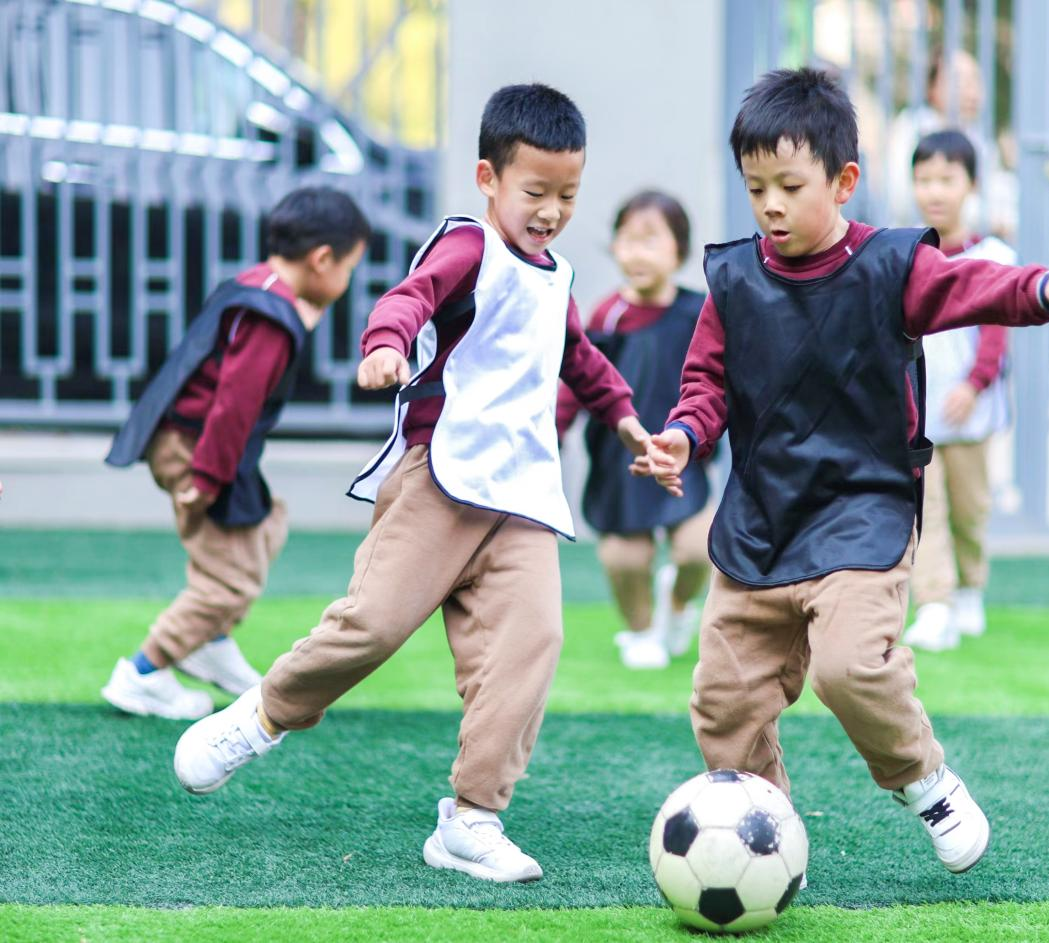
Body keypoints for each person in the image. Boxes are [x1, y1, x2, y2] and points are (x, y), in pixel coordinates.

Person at [171, 83, 651, 884]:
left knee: (530, 646)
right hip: (443, 480)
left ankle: (471, 817)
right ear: (488, 178)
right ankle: (261, 714)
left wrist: (628, 419)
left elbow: (579, 357)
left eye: (567, 195)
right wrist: (385, 345)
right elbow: (409, 298)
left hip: (523, 500)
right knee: (371, 624)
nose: (550, 211)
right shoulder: (467, 246)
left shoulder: (557, 275)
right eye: (535, 191)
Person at [646, 68, 1049, 876]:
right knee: (722, 699)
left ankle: (924, 779)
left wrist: (1040, 286)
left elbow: (974, 285)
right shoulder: (734, 281)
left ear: (843, 180)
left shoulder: (892, 265)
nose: (770, 205)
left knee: (850, 665)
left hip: (861, 511)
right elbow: (705, 382)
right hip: (760, 520)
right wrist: (686, 434)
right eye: (755, 187)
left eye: (790, 185)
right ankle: (761, 834)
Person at [100, 187, 369, 720]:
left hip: (200, 443)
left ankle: (211, 642)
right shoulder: (271, 316)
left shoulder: (255, 286)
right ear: (322, 259)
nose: (346, 282)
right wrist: (206, 478)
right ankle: (143, 673)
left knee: (265, 525)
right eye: (349, 268)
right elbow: (233, 404)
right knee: (227, 581)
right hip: (199, 447)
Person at [557, 190, 712, 670]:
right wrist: (554, 430)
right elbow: (577, 378)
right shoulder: (607, 317)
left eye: (650, 240)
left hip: (681, 457)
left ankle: (678, 605)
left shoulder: (700, 313)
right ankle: (642, 631)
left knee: (698, 549)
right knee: (625, 559)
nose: (636, 253)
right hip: (620, 462)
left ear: (679, 250)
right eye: (627, 241)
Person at [903, 130, 1017, 652]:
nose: (935, 192)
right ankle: (934, 604)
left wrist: (974, 385)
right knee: (925, 511)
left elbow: (995, 334)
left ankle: (971, 589)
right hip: (920, 417)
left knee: (970, 511)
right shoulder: (905, 255)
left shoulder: (992, 256)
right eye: (924, 179)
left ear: (971, 185)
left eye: (947, 179)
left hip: (970, 417)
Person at [885, 49, 1016, 240]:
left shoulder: (980, 139)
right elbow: (901, 201)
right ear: (932, 88)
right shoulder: (910, 129)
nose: (972, 92)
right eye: (960, 82)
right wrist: (985, 216)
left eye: (975, 81)